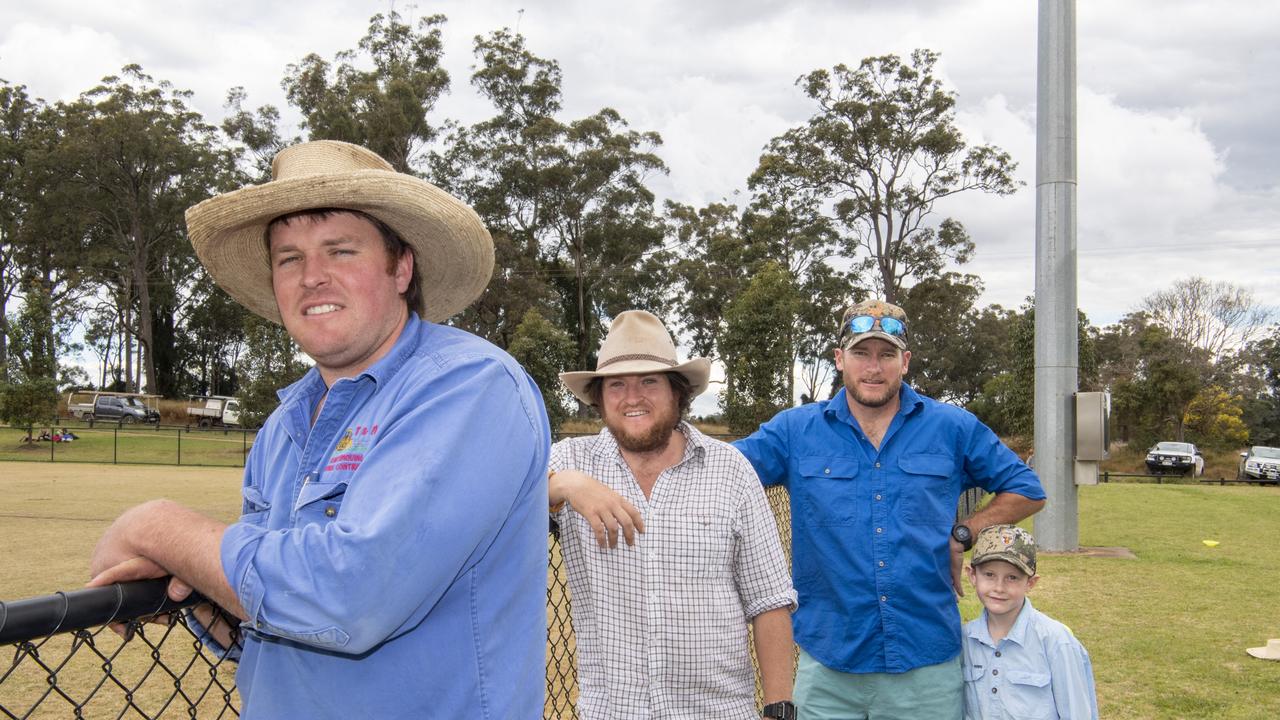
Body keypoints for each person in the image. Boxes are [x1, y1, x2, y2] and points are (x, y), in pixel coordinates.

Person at [86, 140, 552, 718]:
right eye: (289, 258)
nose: (312, 277)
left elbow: (348, 599)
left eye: (341, 251)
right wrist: (198, 589)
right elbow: (279, 625)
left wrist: (156, 527)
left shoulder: (469, 387)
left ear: (401, 267)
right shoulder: (283, 426)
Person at [731, 299, 1047, 720]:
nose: (873, 368)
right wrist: (609, 477)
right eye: (861, 353)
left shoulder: (952, 427)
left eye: (887, 355)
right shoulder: (795, 430)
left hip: (925, 665)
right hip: (828, 666)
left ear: (906, 361)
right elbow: (715, 468)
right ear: (840, 359)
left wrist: (964, 533)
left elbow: (1027, 489)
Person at [549, 310, 799, 720]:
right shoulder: (571, 460)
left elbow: (769, 600)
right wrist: (565, 486)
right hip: (613, 712)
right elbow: (498, 498)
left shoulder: (730, 470)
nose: (633, 397)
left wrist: (779, 708)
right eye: (617, 385)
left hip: (718, 711)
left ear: (677, 392)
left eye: (649, 381)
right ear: (598, 397)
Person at [962, 524, 1098, 720]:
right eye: (989, 575)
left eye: (1012, 577)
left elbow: (1077, 712)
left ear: (1030, 583)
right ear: (972, 576)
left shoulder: (1057, 642)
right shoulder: (965, 640)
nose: (999, 587)